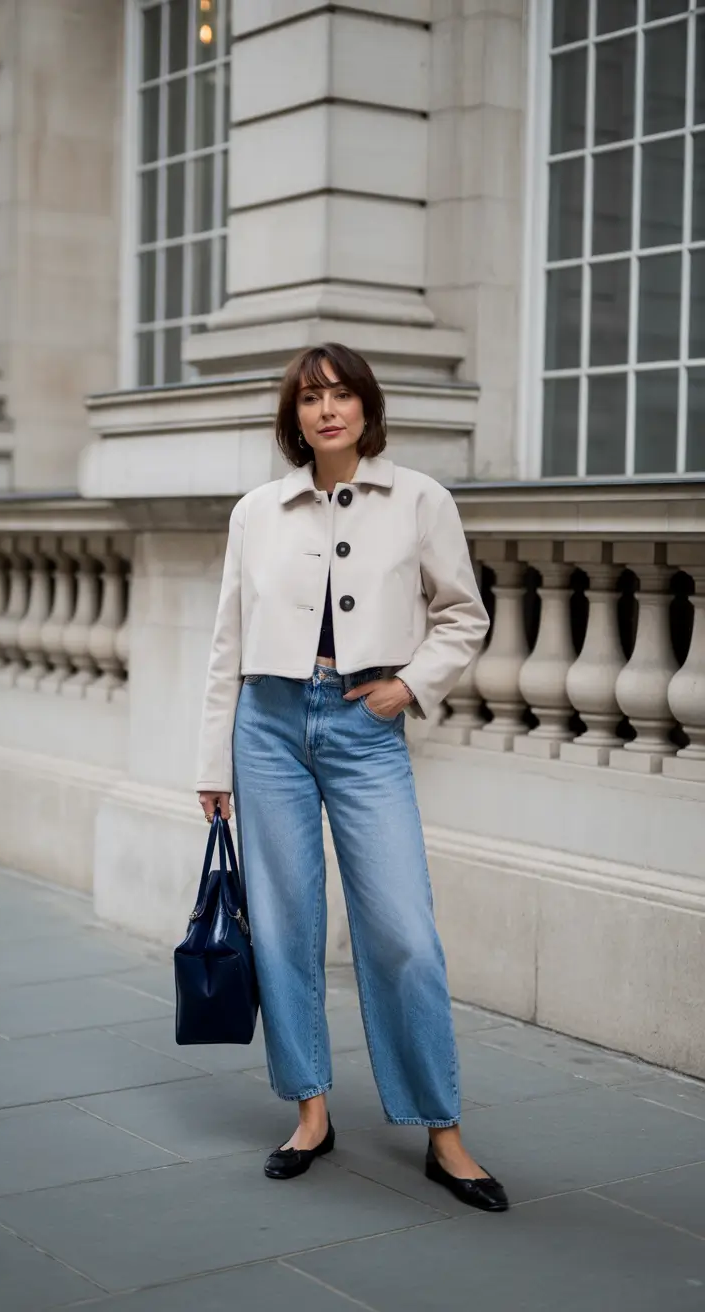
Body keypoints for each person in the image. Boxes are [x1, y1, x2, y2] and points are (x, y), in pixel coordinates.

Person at [196, 343, 508, 1212]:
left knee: (405, 930)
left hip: (363, 726)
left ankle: (443, 1133)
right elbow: (228, 640)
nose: (326, 408)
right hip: (265, 727)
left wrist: (407, 687)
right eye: (309, 398)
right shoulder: (257, 511)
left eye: (340, 393)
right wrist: (210, 761)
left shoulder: (419, 499)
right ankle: (310, 1112)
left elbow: (463, 613)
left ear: (367, 405)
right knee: (286, 926)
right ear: (293, 418)